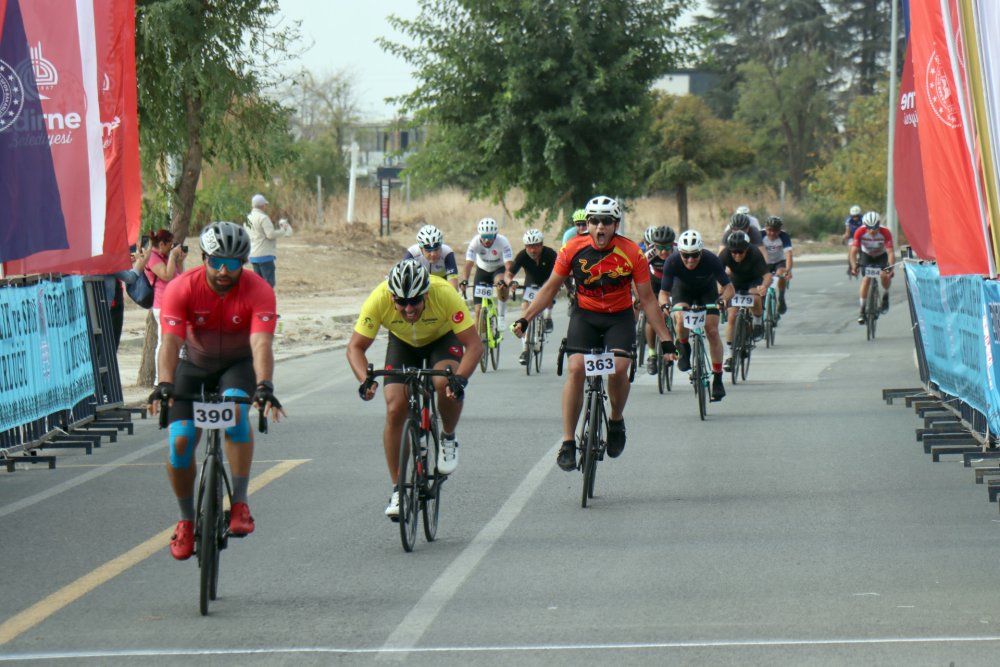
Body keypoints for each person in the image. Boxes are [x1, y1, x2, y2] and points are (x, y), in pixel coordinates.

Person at [147, 221, 285, 561]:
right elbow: (170, 342)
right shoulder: (182, 288)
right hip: (192, 364)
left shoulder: (259, 290)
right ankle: (185, 521)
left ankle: (239, 502)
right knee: (180, 443)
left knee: (237, 415)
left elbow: (261, 343)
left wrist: (265, 385)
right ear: (204, 258)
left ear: (245, 263)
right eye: (217, 262)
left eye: (234, 264)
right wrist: (164, 383)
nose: (224, 271)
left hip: (237, 366)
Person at [512, 196, 676, 471]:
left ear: (616, 225)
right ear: (587, 224)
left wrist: (667, 340)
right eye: (594, 221)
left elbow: (647, 300)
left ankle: (615, 420)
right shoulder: (572, 248)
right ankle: (567, 442)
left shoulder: (631, 252)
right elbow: (551, 288)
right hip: (585, 315)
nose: (600, 227)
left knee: (618, 367)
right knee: (576, 368)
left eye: (606, 222)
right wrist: (526, 318)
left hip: (618, 317)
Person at [347, 260, 482, 518]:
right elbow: (355, 347)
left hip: (441, 339)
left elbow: (474, 345)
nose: (408, 308)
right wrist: (365, 379)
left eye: (415, 302)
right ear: (391, 297)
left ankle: (448, 437)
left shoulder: (444, 294)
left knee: (444, 383)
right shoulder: (378, 299)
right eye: (401, 302)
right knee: (395, 406)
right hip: (403, 343)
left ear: (426, 295)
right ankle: (398, 489)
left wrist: (461, 379)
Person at [660, 229, 734, 402]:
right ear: (680, 253)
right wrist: (665, 305)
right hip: (682, 291)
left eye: (694, 255)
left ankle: (717, 378)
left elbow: (729, 288)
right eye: (686, 255)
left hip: (706, 292)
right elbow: (663, 292)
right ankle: (684, 346)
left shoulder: (711, 259)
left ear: (701, 252)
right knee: (680, 317)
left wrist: (722, 300)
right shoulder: (672, 261)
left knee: (712, 331)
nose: (690, 260)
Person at [718, 231, 771, 371]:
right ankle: (730, 356)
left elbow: (767, 275)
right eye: (734, 252)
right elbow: (716, 274)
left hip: (753, 281)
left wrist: (763, 287)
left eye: (740, 252)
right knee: (732, 317)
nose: (737, 255)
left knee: (755, 297)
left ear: (746, 249)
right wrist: (719, 290)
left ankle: (758, 322)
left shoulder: (754, 253)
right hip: (735, 282)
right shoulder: (725, 254)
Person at [508, 228, 560, 364]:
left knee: (548, 296)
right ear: (525, 247)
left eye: (536, 246)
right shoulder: (522, 256)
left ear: (541, 245)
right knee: (525, 309)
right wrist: (511, 282)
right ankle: (525, 349)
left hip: (548, 281)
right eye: (529, 247)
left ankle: (548, 317)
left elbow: (561, 270)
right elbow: (509, 274)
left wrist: (560, 284)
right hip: (531, 282)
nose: (533, 250)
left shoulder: (550, 254)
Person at [145, 229, 187, 383]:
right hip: (162, 304)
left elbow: (180, 277)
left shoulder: (166, 256)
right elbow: (166, 275)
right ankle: (159, 380)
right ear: (161, 244)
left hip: (175, 304)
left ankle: (174, 376)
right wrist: (173, 256)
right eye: (170, 245)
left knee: (177, 341)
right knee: (164, 342)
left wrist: (179, 261)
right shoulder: (152, 258)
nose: (172, 248)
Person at [460, 218, 514, 330]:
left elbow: (508, 265)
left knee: (501, 285)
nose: (486, 240)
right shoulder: (475, 242)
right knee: (478, 311)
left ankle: (501, 316)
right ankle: (479, 342)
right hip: (482, 270)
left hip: (498, 269)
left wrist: (509, 280)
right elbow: (468, 264)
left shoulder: (503, 242)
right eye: (483, 236)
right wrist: (465, 280)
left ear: (495, 235)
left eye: (489, 237)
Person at [849, 211, 895, 323]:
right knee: (866, 280)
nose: (872, 230)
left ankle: (886, 294)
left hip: (881, 256)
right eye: (869, 228)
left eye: (874, 227)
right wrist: (854, 266)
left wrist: (890, 269)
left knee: (884, 276)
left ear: (878, 224)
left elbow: (890, 253)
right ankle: (862, 310)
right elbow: (853, 252)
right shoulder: (859, 232)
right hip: (867, 255)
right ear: (865, 225)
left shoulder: (885, 232)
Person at [641, 225, 675, 374]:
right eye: (660, 247)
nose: (663, 251)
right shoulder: (648, 255)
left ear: (673, 245)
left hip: (674, 284)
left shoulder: (680, 252)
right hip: (654, 284)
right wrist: (638, 296)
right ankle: (652, 354)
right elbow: (636, 275)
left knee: (677, 316)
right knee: (651, 319)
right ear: (654, 245)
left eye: (668, 247)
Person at [245, 193, 292, 288]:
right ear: (262, 205)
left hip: (253, 255)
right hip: (265, 255)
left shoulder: (248, 218)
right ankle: (266, 301)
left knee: (258, 283)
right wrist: (283, 231)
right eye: (265, 205)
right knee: (268, 284)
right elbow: (270, 235)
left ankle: (258, 301)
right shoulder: (263, 218)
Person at [403, 224, 460, 290]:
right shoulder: (412, 254)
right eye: (428, 251)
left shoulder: (447, 253)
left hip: (442, 288)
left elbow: (453, 286)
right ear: (421, 249)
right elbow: (405, 282)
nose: (433, 254)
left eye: (436, 249)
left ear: (441, 246)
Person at [760, 216, 793, 314]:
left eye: (776, 231)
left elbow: (788, 254)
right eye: (769, 230)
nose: (772, 233)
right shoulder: (760, 235)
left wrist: (788, 270)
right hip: (764, 262)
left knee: (781, 273)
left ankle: (781, 297)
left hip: (779, 262)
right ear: (765, 228)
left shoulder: (784, 236)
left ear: (780, 230)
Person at [842, 205, 865, 276]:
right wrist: (845, 236)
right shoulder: (849, 220)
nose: (855, 218)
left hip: (862, 237)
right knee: (850, 251)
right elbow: (847, 230)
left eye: (857, 216)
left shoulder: (863, 218)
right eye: (853, 216)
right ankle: (850, 265)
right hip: (853, 237)